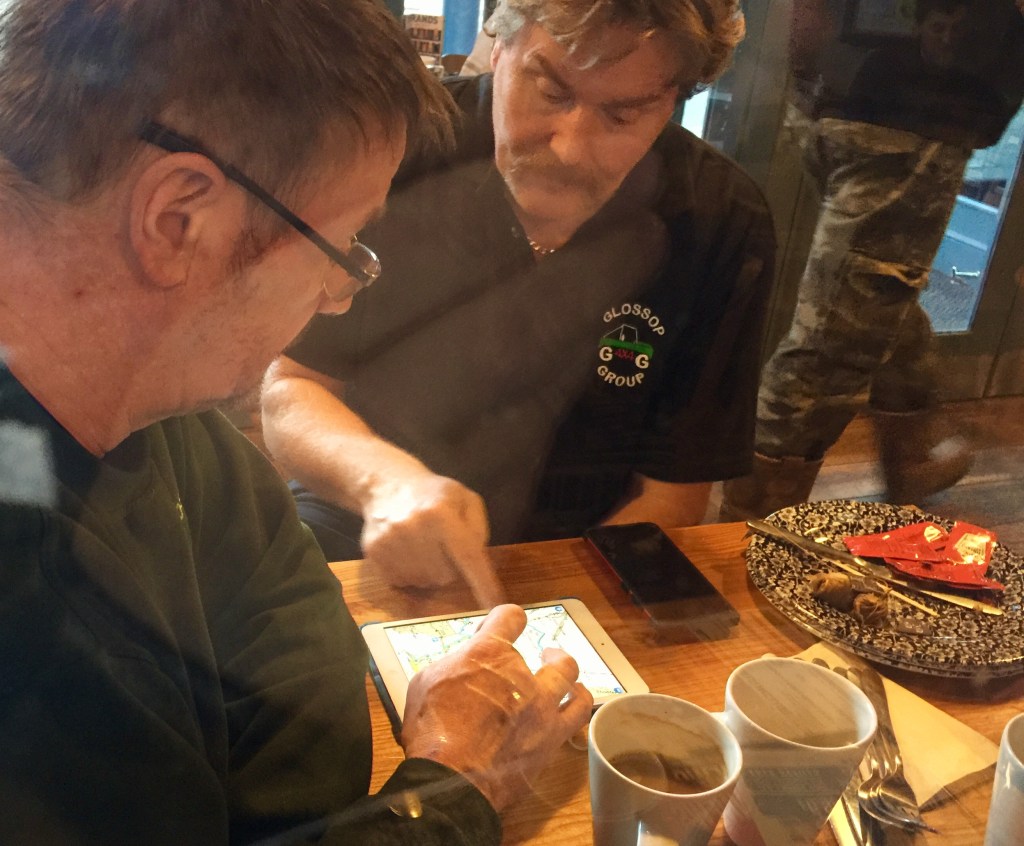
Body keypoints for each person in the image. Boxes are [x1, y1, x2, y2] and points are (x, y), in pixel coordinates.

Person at [0, 1, 592, 843]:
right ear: (179, 221)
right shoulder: (32, 608)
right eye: (341, 248)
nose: (336, 297)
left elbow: (290, 608)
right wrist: (452, 787)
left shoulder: (141, 391)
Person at [261, 0, 776, 603]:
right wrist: (383, 484)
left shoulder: (720, 221)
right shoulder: (396, 146)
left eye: (623, 114)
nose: (571, 148)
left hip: (580, 556)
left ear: (674, 100)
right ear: (499, 44)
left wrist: (549, 611)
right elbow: (290, 389)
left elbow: (672, 494)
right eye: (551, 92)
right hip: (364, 518)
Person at [721, 0, 1024, 519]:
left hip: (835, 87)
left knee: (869, 299)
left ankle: (911, 455)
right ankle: (753, 523)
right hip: (917, 107)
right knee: (835, 339)